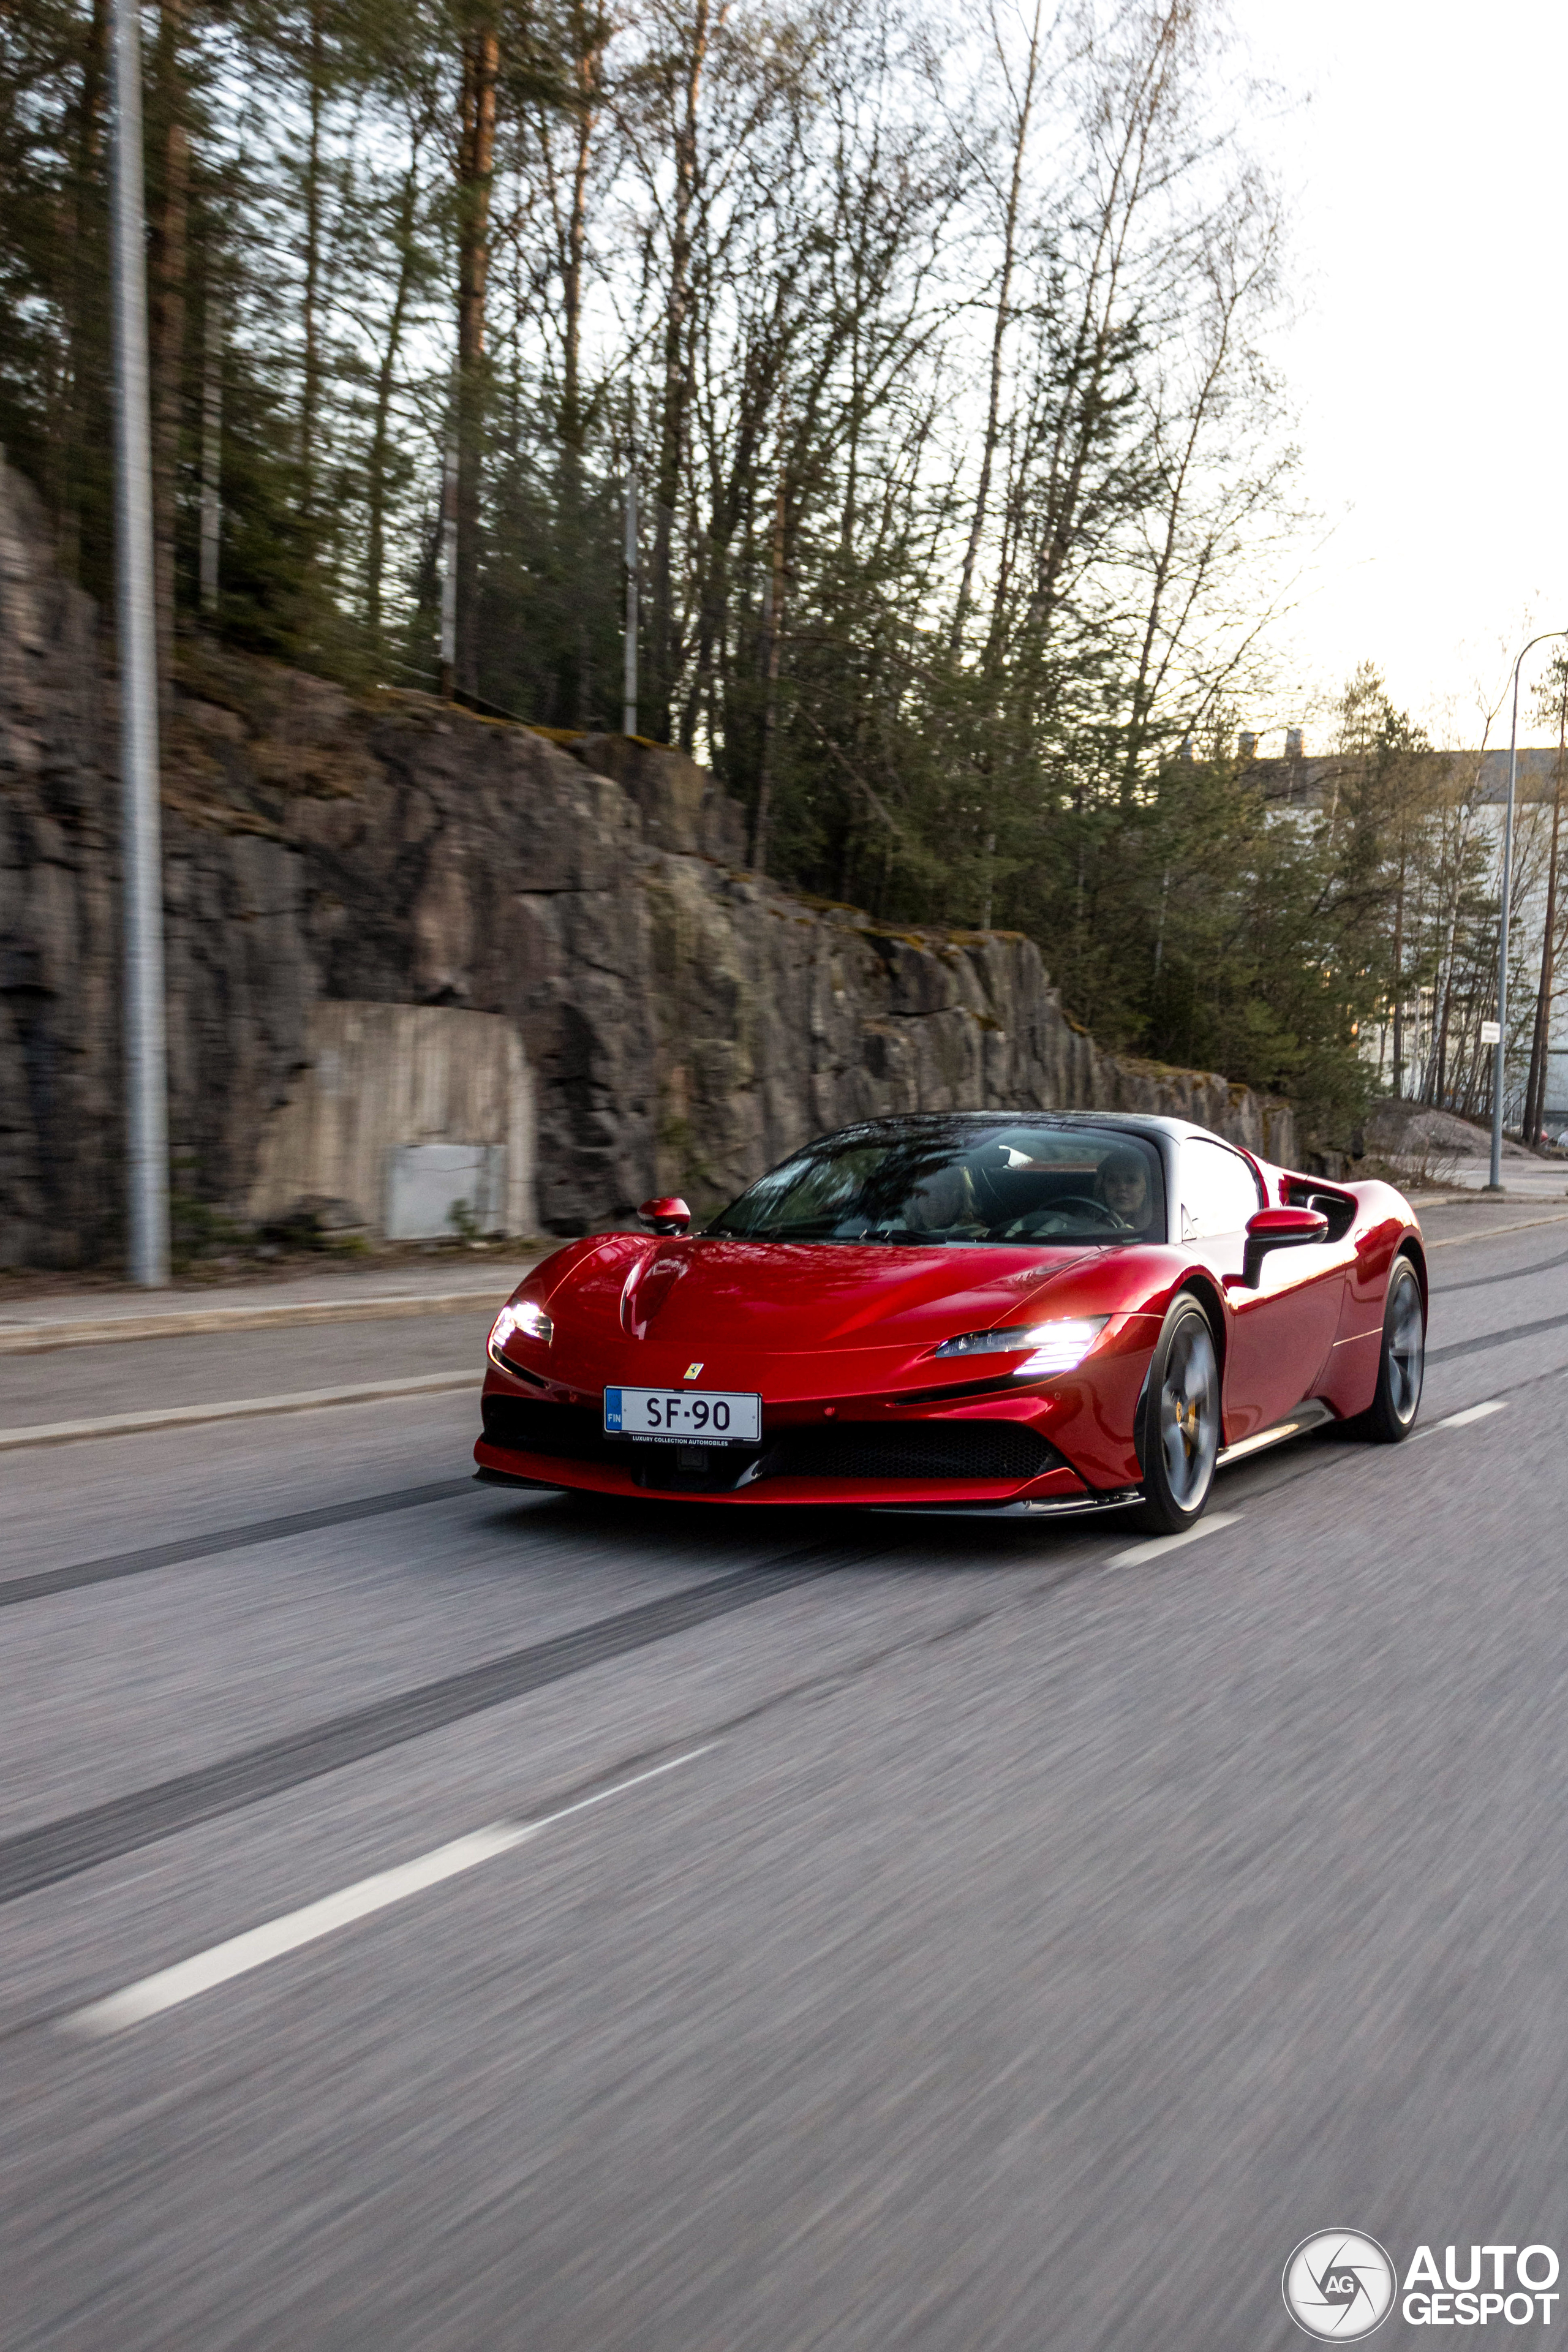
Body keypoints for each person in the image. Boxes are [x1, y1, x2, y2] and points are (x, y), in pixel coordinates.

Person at [1097, 1147, 1152, 1231]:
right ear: (1103, 1186)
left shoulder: (1159, 1227)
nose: (1122, 1187)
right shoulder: (1083, 1222)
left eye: (1132, 1180)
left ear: (1146, 1187)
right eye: (1113, 1181)